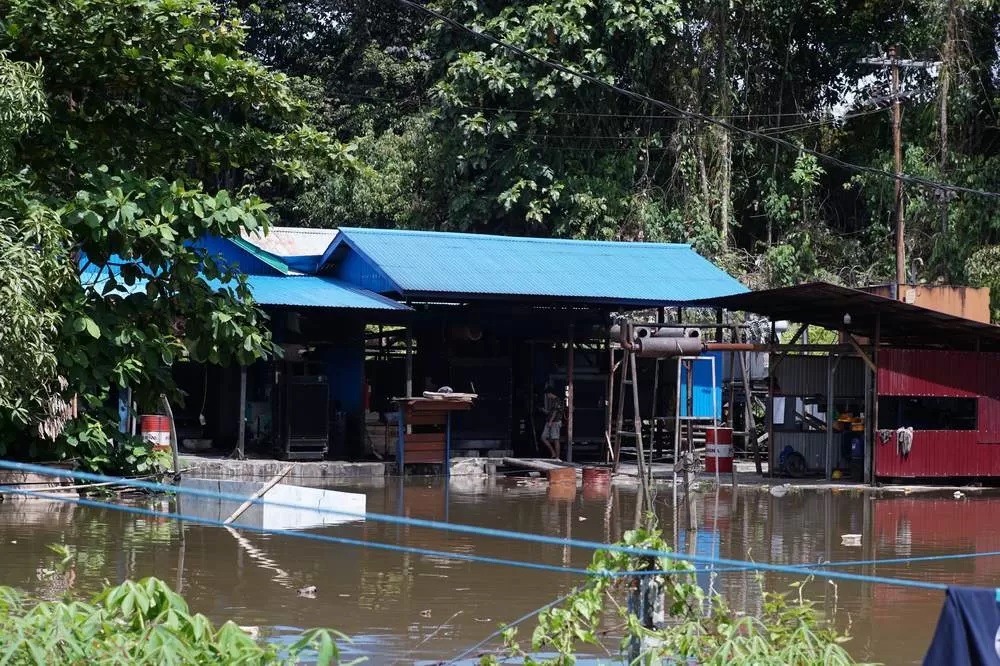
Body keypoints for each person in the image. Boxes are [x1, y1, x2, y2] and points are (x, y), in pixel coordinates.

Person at [541, 387, 565, 459]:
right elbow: (551, 412)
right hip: (550, 421)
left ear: (550, 393)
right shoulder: (553, 401)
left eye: (547, 395)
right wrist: (543, 410)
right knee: (543, 437)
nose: (547, 396)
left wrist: (550, 421)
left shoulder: (557, 400)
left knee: (556, 439)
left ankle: (557, 457)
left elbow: (555, 412)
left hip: (555, 421)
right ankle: (553, 452)